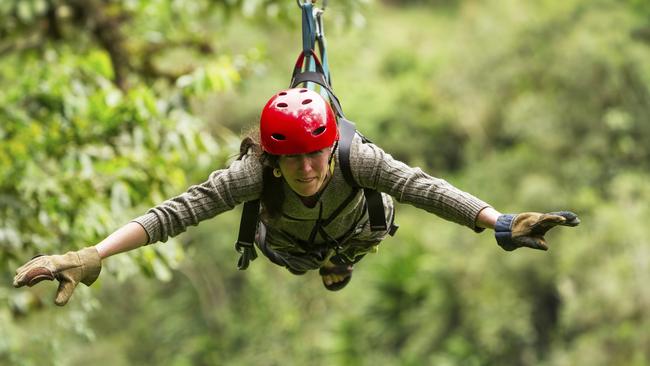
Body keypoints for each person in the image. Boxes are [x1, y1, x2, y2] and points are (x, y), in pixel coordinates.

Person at [13, 88, 580, 305]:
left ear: (331, 148)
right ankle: (325, 264)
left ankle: (341, 263)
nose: (307, 168)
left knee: (377, 216)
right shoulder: (251, 174)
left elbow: (423, 188)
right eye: (293, 158)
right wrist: (92, 255)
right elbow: (172, 215)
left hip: (357, 230)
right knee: (292, 256)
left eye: (316, 154)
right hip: (288, 245)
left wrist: (499, 221)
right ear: (274, 156)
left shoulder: (356, 159)